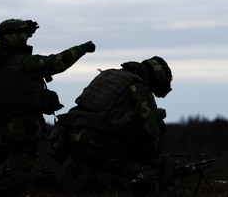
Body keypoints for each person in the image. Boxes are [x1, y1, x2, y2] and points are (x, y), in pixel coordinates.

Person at [0, 18, 96, 194]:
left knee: (5, 168)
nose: (24, 37)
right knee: (24, 175)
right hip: (23, 129)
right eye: (20, 33)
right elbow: (57, 62)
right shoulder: (24, 63)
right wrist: (82, 49)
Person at [49, 56, 172, 193]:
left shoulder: (107, 75)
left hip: (76, 146)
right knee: (151, 175)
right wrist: (151, 159)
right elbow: (152, 132)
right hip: (103, 149)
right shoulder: (139, 88)